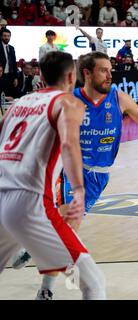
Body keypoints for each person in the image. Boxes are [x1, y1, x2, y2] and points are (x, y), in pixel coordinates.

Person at [11, 51, 138, 299]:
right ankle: (45, 289)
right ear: (86, 74)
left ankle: (38, 249)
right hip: (70, 171)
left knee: (66, 228)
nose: (110, 75)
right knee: (68, 225)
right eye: (103, 70)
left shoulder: (118, 97)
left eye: (110, 70)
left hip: (100, 176)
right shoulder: (68, 100)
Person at [0, 51, 106, 300]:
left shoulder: (16, 105)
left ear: (40, 75)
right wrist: (79, 191)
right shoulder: (68, 102)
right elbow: (69, 144)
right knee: (93, 283)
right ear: (72, 76)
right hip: (29, 202)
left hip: (1, 194)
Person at [0, 29, 18, 98]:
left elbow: (14, 63)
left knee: (9, 96)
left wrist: (15, 77)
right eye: (5, 36)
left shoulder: (11, 48)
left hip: (10, 77)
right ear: (1, 36)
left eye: (8, 36)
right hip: (1, 75)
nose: (7, 38)